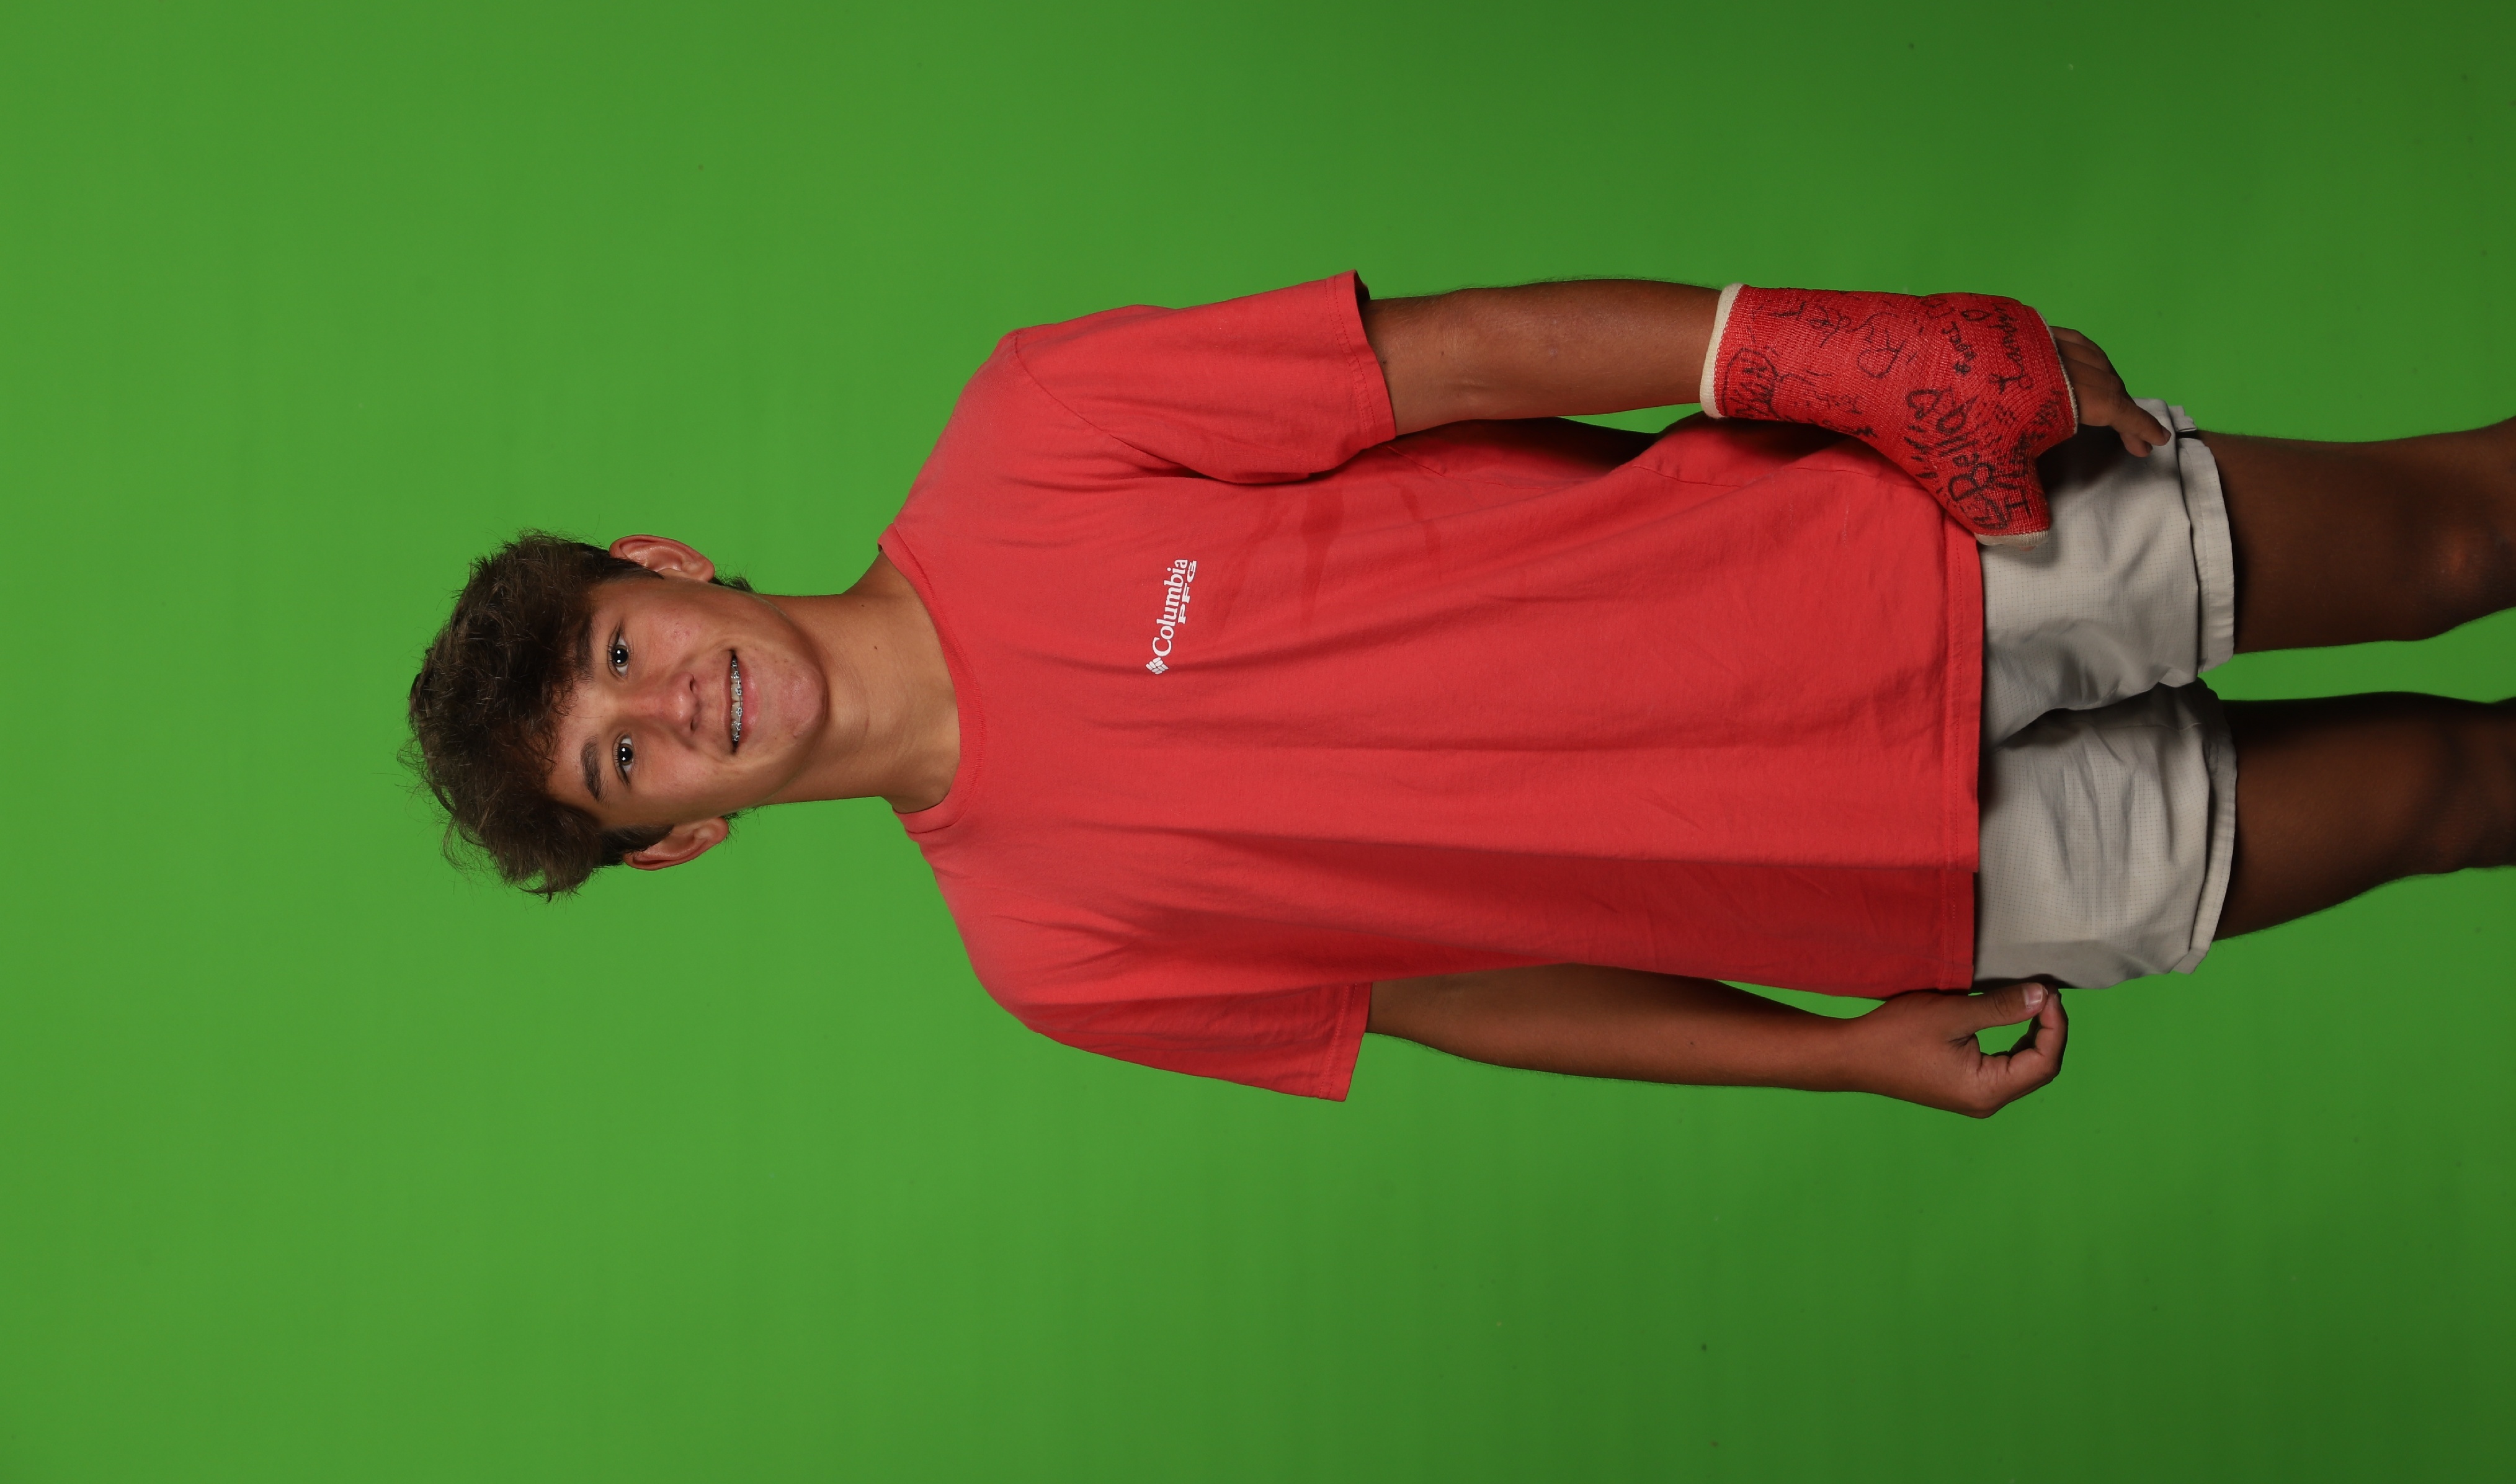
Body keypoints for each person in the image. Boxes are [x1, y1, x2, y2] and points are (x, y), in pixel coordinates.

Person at [406, 273, 2516, 1116]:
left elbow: (1457, 359)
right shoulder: (1049, 956)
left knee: (2454, 542)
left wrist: (1826, 352)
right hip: (1889, 879)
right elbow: (1463, 998)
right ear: (678, 835)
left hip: (1883, 558)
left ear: (662, 566)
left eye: (621, 651)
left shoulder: (1032, 426)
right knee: (2453, 800)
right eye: (624, 762)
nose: (670, 706)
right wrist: (1827, 1057)